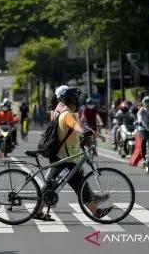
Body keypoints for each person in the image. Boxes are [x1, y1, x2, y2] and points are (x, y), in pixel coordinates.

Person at [37, 87, 111, 220]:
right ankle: (37, 211)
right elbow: (77, 126)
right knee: (52, 185)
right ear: (73, 100)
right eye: (76, 99)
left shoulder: (64, 111)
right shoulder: (67, 114)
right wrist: (85, 133)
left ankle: (95, 212)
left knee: (77, 184)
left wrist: (94, 133)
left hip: (68, 156)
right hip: (64, 157)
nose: (78, 101)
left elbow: (79, 126)